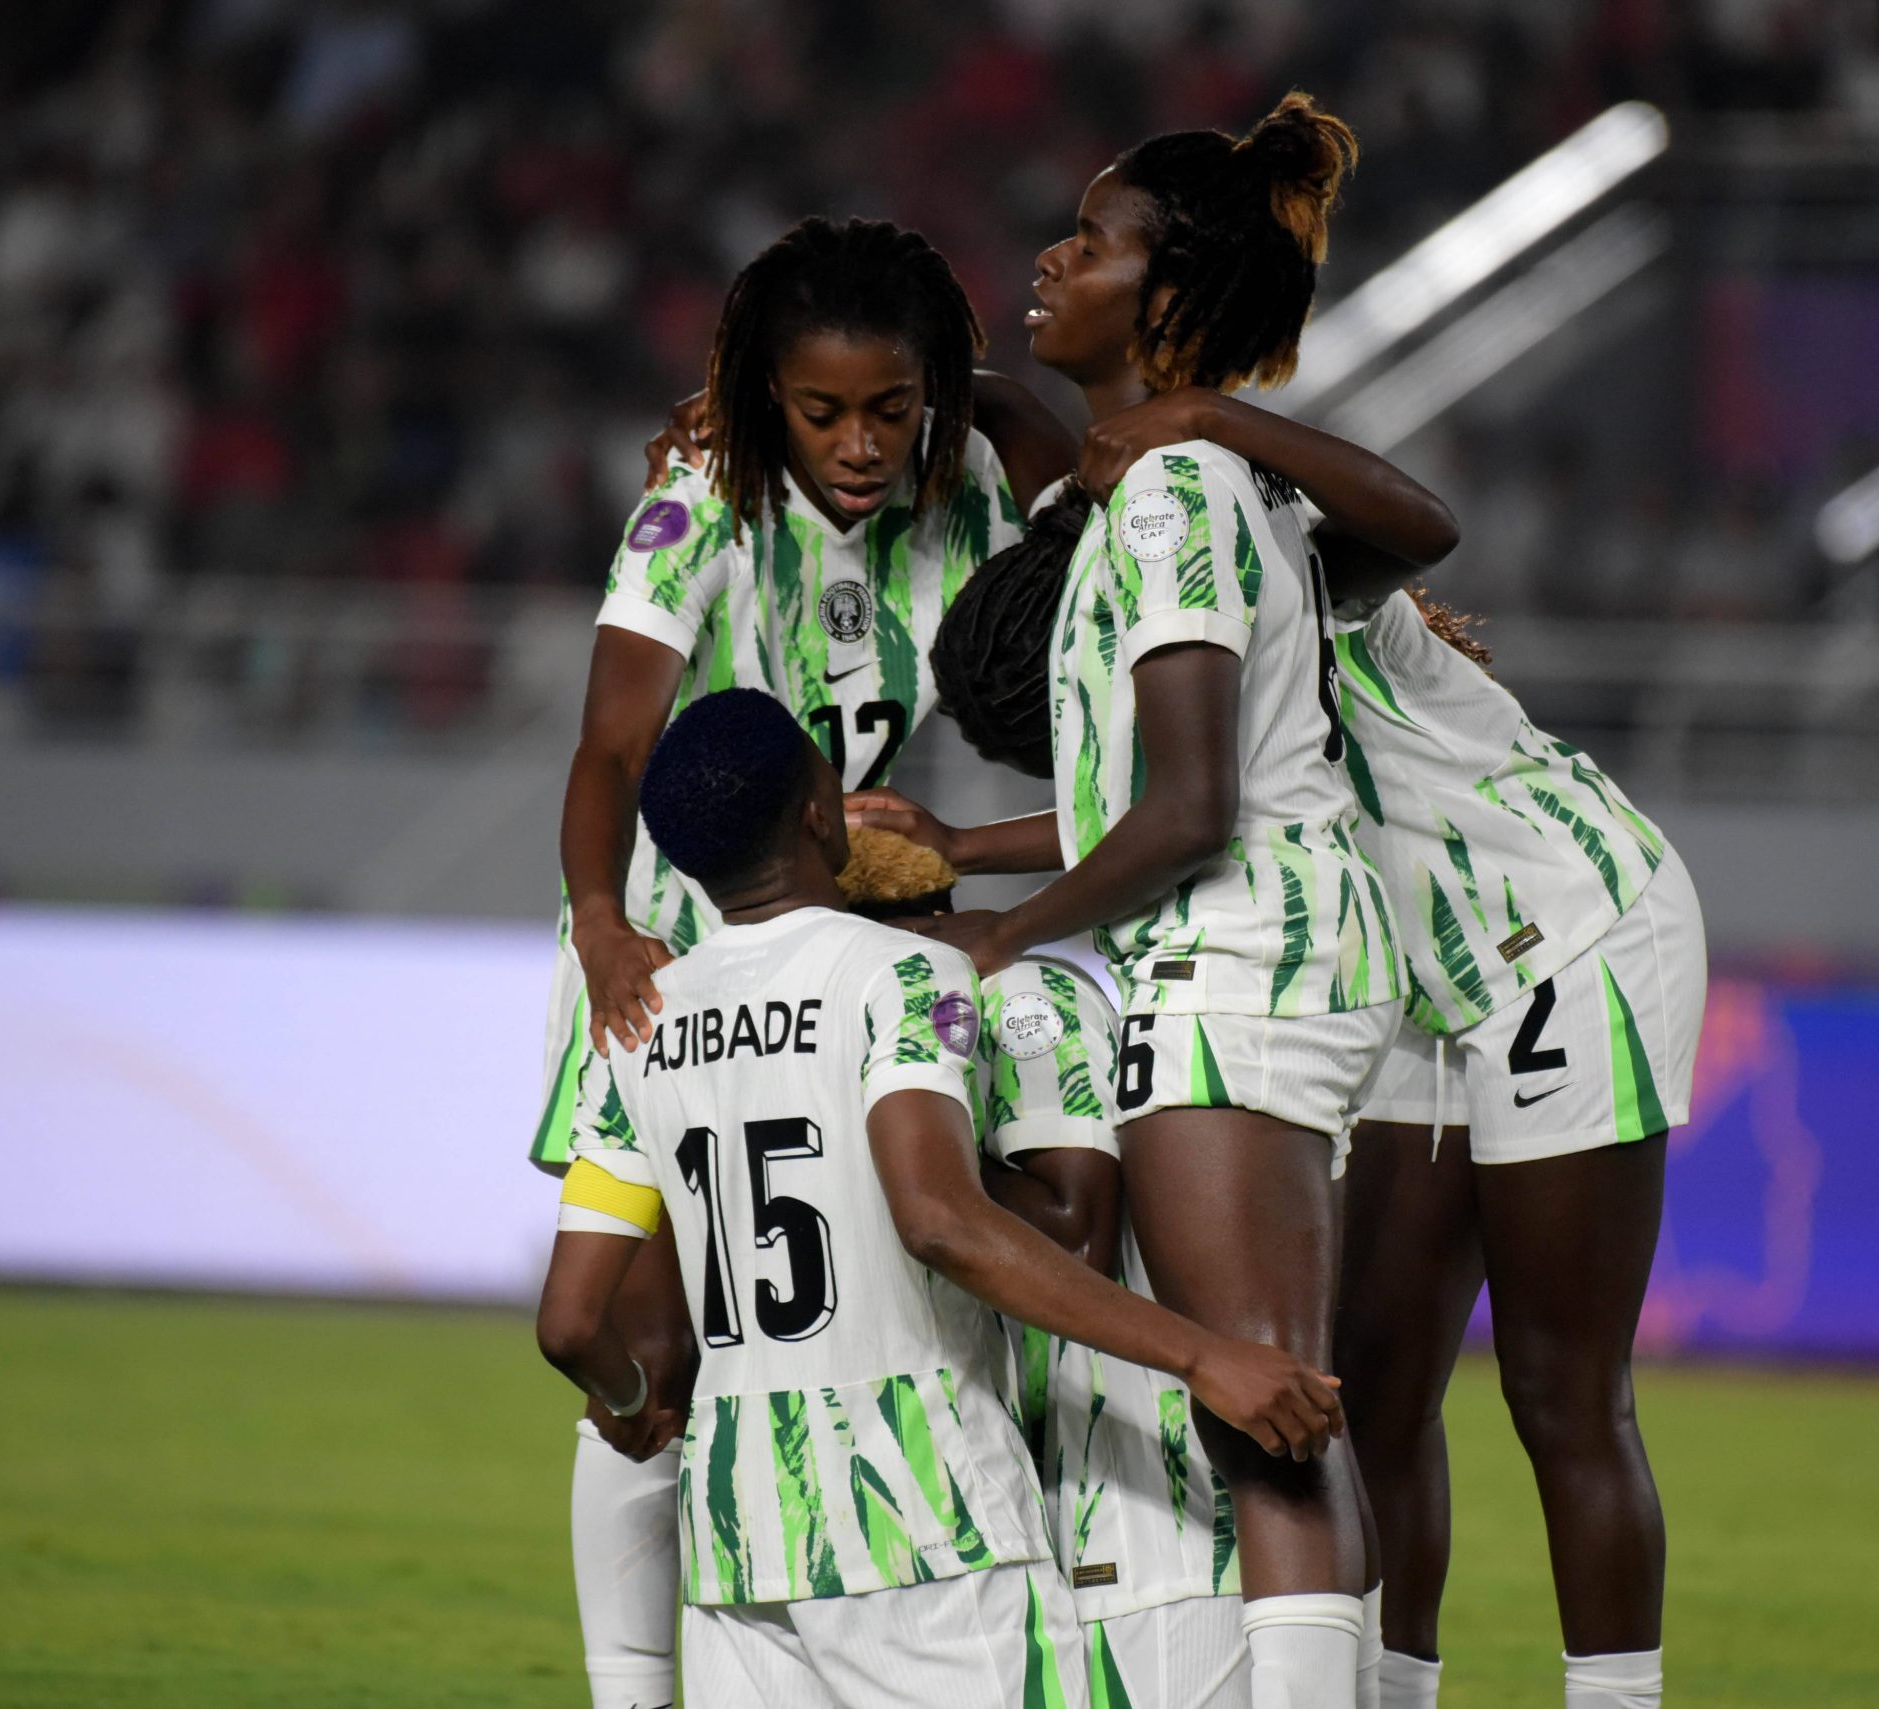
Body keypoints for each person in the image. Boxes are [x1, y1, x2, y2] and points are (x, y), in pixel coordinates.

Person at [856, 95, 1456, 1709]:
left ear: (1169, 294)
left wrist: (998, 935)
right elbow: (1158, 787)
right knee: (1258, 1383)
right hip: (1249, 941)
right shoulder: (1151, 492)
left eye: (1095, 240)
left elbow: (1190, 808)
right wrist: (971, 855)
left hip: (1250, 946)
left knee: (1259, 1385)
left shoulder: (1185, 494)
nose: (1053, 256)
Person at [534, 686, 1348, 1708]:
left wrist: (630, 1402)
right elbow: (938, 1218)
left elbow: (569, 1321)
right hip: (915, 1508)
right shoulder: (904, 976)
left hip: (736, 1532)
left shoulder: (640, 1021)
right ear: (820, 815)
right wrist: (1203, 1352)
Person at [531, 214, 1074, 1709]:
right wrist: (596, 922)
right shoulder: (699, 495)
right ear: (763, 393)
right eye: (821, 409)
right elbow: (613, 742)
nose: (855, 443)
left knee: (860, 1322)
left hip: (849, 956)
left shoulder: (962, 486)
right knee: (651, 1357)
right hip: (669, 962)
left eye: (890, 408)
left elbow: (1089, 506)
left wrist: (983, 393)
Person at [849, 582, 1256, 1707]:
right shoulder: (917, 1026)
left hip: (1142, 1506)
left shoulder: (1025, 1004)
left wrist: (888, 1146)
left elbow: (1076, 1228)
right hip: (1041, 1511)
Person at [1328, 592, 1705, 1709]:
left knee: (1559, 1386)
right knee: (1371, 1385)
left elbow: (1411, 520)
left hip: (1567, 932)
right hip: (1414, 968)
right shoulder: (1132, 578)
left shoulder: (1267, 526)